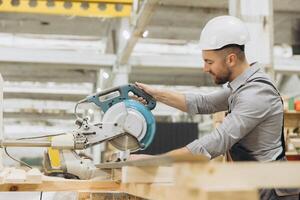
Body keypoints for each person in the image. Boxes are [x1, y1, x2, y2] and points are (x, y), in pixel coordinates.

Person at [132, 16, 300, 200]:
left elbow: (217, 142)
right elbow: (202, 103)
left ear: (231, 59)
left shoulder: (256, 94)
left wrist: (153, 162)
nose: (204, 68)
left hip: (272, 191)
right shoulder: (242, 87)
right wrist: (154, 94)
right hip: (255, 186)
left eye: (209, 62)